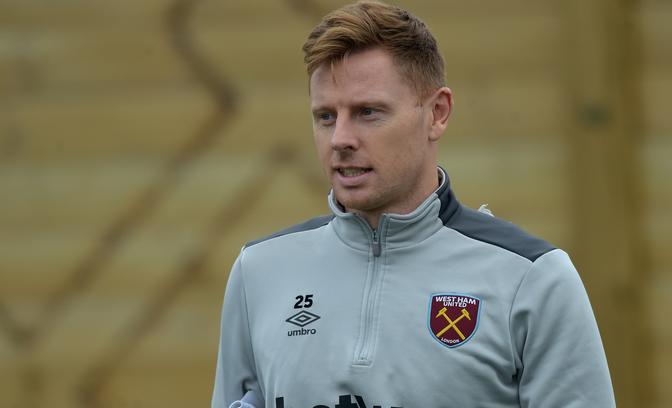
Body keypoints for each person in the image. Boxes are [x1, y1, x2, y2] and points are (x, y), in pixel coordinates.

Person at [211, 1, 615, 407]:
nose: (340, 139)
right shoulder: (259, 271)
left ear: (436, 114)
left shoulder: (532, 279)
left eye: (368, 112)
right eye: (326, 116)